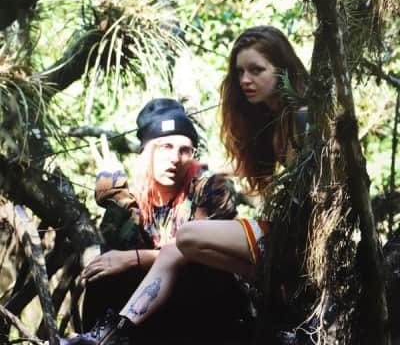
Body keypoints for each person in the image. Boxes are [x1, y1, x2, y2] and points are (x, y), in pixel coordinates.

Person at [63, 26, 308, 344]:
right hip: (274, 250)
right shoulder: (275, 125)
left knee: (187, 238)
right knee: (155, 258)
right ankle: (115, 333)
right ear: (144, 152)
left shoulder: (302, 117)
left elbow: (323, 192)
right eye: (240, 72)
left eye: (256, 70)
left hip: (285, 248)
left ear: (283, 69)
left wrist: (135, 258)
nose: (245, 80)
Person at [66, 98, 249, 344]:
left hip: (208, 314)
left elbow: (198, 255)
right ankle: (99, 339)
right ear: (145, 152)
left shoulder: (210, 188)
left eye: (185, 150)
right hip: (153, 319)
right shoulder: (134, 200)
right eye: (165, 147)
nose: (175, 158)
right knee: (103, 268)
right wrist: (116, 201)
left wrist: (134, 258)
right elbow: (115, 257)